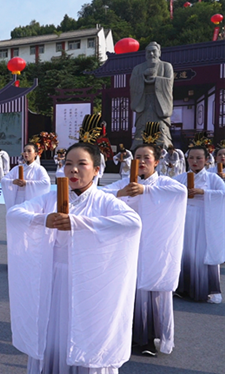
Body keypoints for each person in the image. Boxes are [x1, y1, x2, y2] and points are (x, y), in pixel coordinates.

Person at [7, 143, 142, 374]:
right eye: (68, 164)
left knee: (86, 334)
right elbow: (15, 213)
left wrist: (79, 224)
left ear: (97, 170)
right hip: (55, 279)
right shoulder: (50, 198)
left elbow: (132, 222)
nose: (74, 170)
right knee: (54, 335)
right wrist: (43, 220)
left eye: (82, 164)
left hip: (89, 282)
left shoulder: (104, 201)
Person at [100, 144, 187, 356]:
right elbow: (101, 194)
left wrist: (146, 190)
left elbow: (180, 192)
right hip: (128, 247)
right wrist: (121, 193)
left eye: (146, 157)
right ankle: (126, 336)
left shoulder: (164, 182)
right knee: (127, 290)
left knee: (152, 291)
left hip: (155, 247)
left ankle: (149, 339)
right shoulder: (126, 183)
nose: (140, 161)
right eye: (137, 157)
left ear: (156, 161)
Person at [174, 146, 225, 303]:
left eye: (199, 158)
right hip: (185, 218)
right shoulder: (180, 177)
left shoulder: (213, 178)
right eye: (191, 158)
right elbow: (167, 191)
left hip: (204, 219)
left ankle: (205, 289)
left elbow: (223, 194)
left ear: (206, 160)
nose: (194, 161)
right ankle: (183, 288)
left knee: (201, 254)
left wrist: (204, 193)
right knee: (186, 252)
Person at [129, 42, 174, 149]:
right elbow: (133, 83)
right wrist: (143, 76)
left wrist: (155, 80)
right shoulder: (138, 68)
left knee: (161, 131)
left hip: (159, 103)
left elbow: (169, 82)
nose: (151, 54)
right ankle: (138, 150)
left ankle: (164, 149)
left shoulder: (166, 66)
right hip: (143, 102)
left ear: (159, 52)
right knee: (141, 131)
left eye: (154, 51)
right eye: (148, 52)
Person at [2, 143, 51, 210]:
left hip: (32, 201)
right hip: (19, 200)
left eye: (29, 151)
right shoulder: (17, 168)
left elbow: (46, 183)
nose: (26, 153)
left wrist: (27, 183)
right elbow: (4, 180)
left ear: (36, 154)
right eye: (24, 151)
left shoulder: (39, 169)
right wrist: (13, 181)